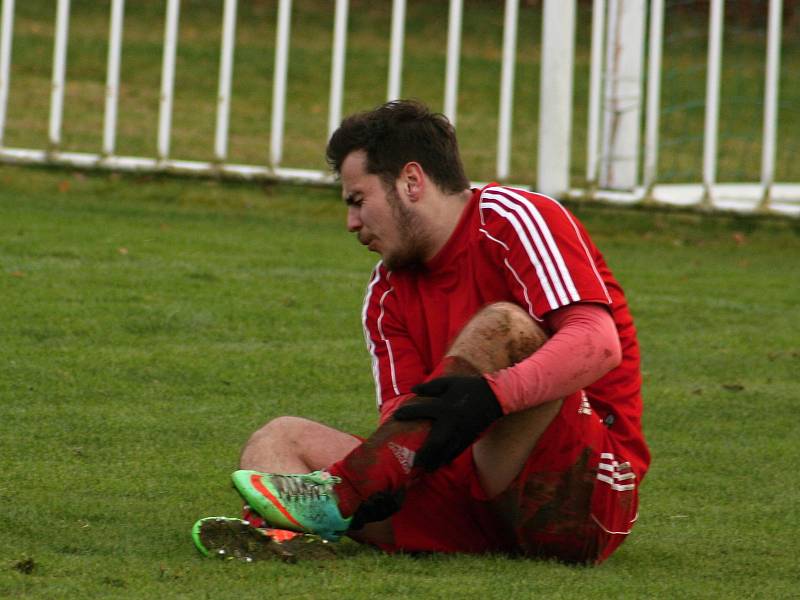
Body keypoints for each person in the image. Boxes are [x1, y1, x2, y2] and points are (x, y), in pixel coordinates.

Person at [192, 100, 650, 565]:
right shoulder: (385, 293)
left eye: (357, 200)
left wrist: (492, 397)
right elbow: (403, 426)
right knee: (278, 438)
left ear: (411, 182)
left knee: (504, 325)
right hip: (461, 498)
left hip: (575, 495)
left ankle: (340, 498)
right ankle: (293, 541)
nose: (351, 223)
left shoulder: (512, 218)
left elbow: (598, 341)